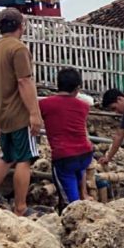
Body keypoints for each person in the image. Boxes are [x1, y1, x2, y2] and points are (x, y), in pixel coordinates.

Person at [0, 8, 42, 216]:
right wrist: (34, 113)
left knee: (6, 157)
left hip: (3, 114)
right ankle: (20, 207)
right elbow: (24, 81)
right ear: (20, 26)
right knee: (25, 159)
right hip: (19, 115)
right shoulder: (18, 49)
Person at [39, 68, 94, 207]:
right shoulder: (84, 106)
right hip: (85, 153)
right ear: (77, 89)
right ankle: (84, 195)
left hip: (64, 157)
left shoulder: (45, 104)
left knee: (70, 202)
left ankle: (75, 214)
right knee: (77, 171)